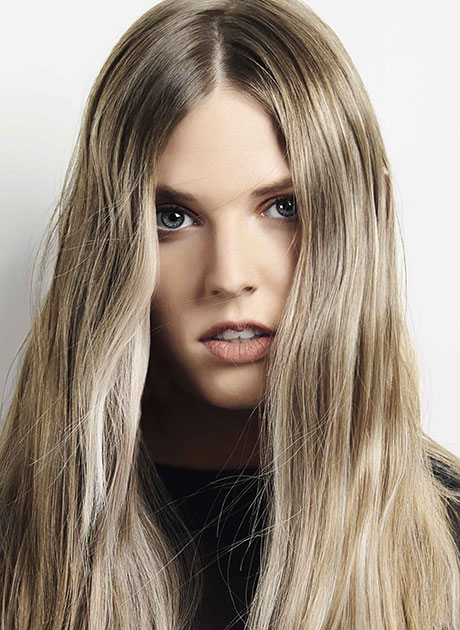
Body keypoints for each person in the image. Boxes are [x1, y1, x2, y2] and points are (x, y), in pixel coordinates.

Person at [0, 0, 459, 628]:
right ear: (107, 243)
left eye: (283, 207)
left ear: (368, 218)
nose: (229, 276)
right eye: (173, 217)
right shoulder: (18, 541)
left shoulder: (448, 541)